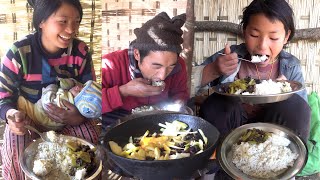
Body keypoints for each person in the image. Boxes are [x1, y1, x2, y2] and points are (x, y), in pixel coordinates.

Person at [0, 0, 100, 179]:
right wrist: (12, 116)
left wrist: (79, 116)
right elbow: (3, 97)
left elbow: (91, 95)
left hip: (70, 119)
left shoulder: (80, 52)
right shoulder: (19, 53)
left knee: (89, 140)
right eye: (63, 21)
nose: (71, 29)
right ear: (41, 21)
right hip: (27, 121)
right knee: (16, 148)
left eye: (76, 21)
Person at [102, 12, 190, 127]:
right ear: (137, 54)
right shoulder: (110, 64)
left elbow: (180, 93)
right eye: (156, 66)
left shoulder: (180, 65)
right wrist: (123, 91)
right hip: (118, 117)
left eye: (170, 67)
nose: (162, 76)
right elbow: (91, 103)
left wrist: (176, 105)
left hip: (160, 115)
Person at [18, 79, 102, 131]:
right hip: (54, 126)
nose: (78, 86)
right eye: (83, 85)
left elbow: (48, 102)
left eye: (80, 91)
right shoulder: (77, 105)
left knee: (20, 103)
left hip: (38, 115)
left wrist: (51, 87)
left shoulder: (65, 100)